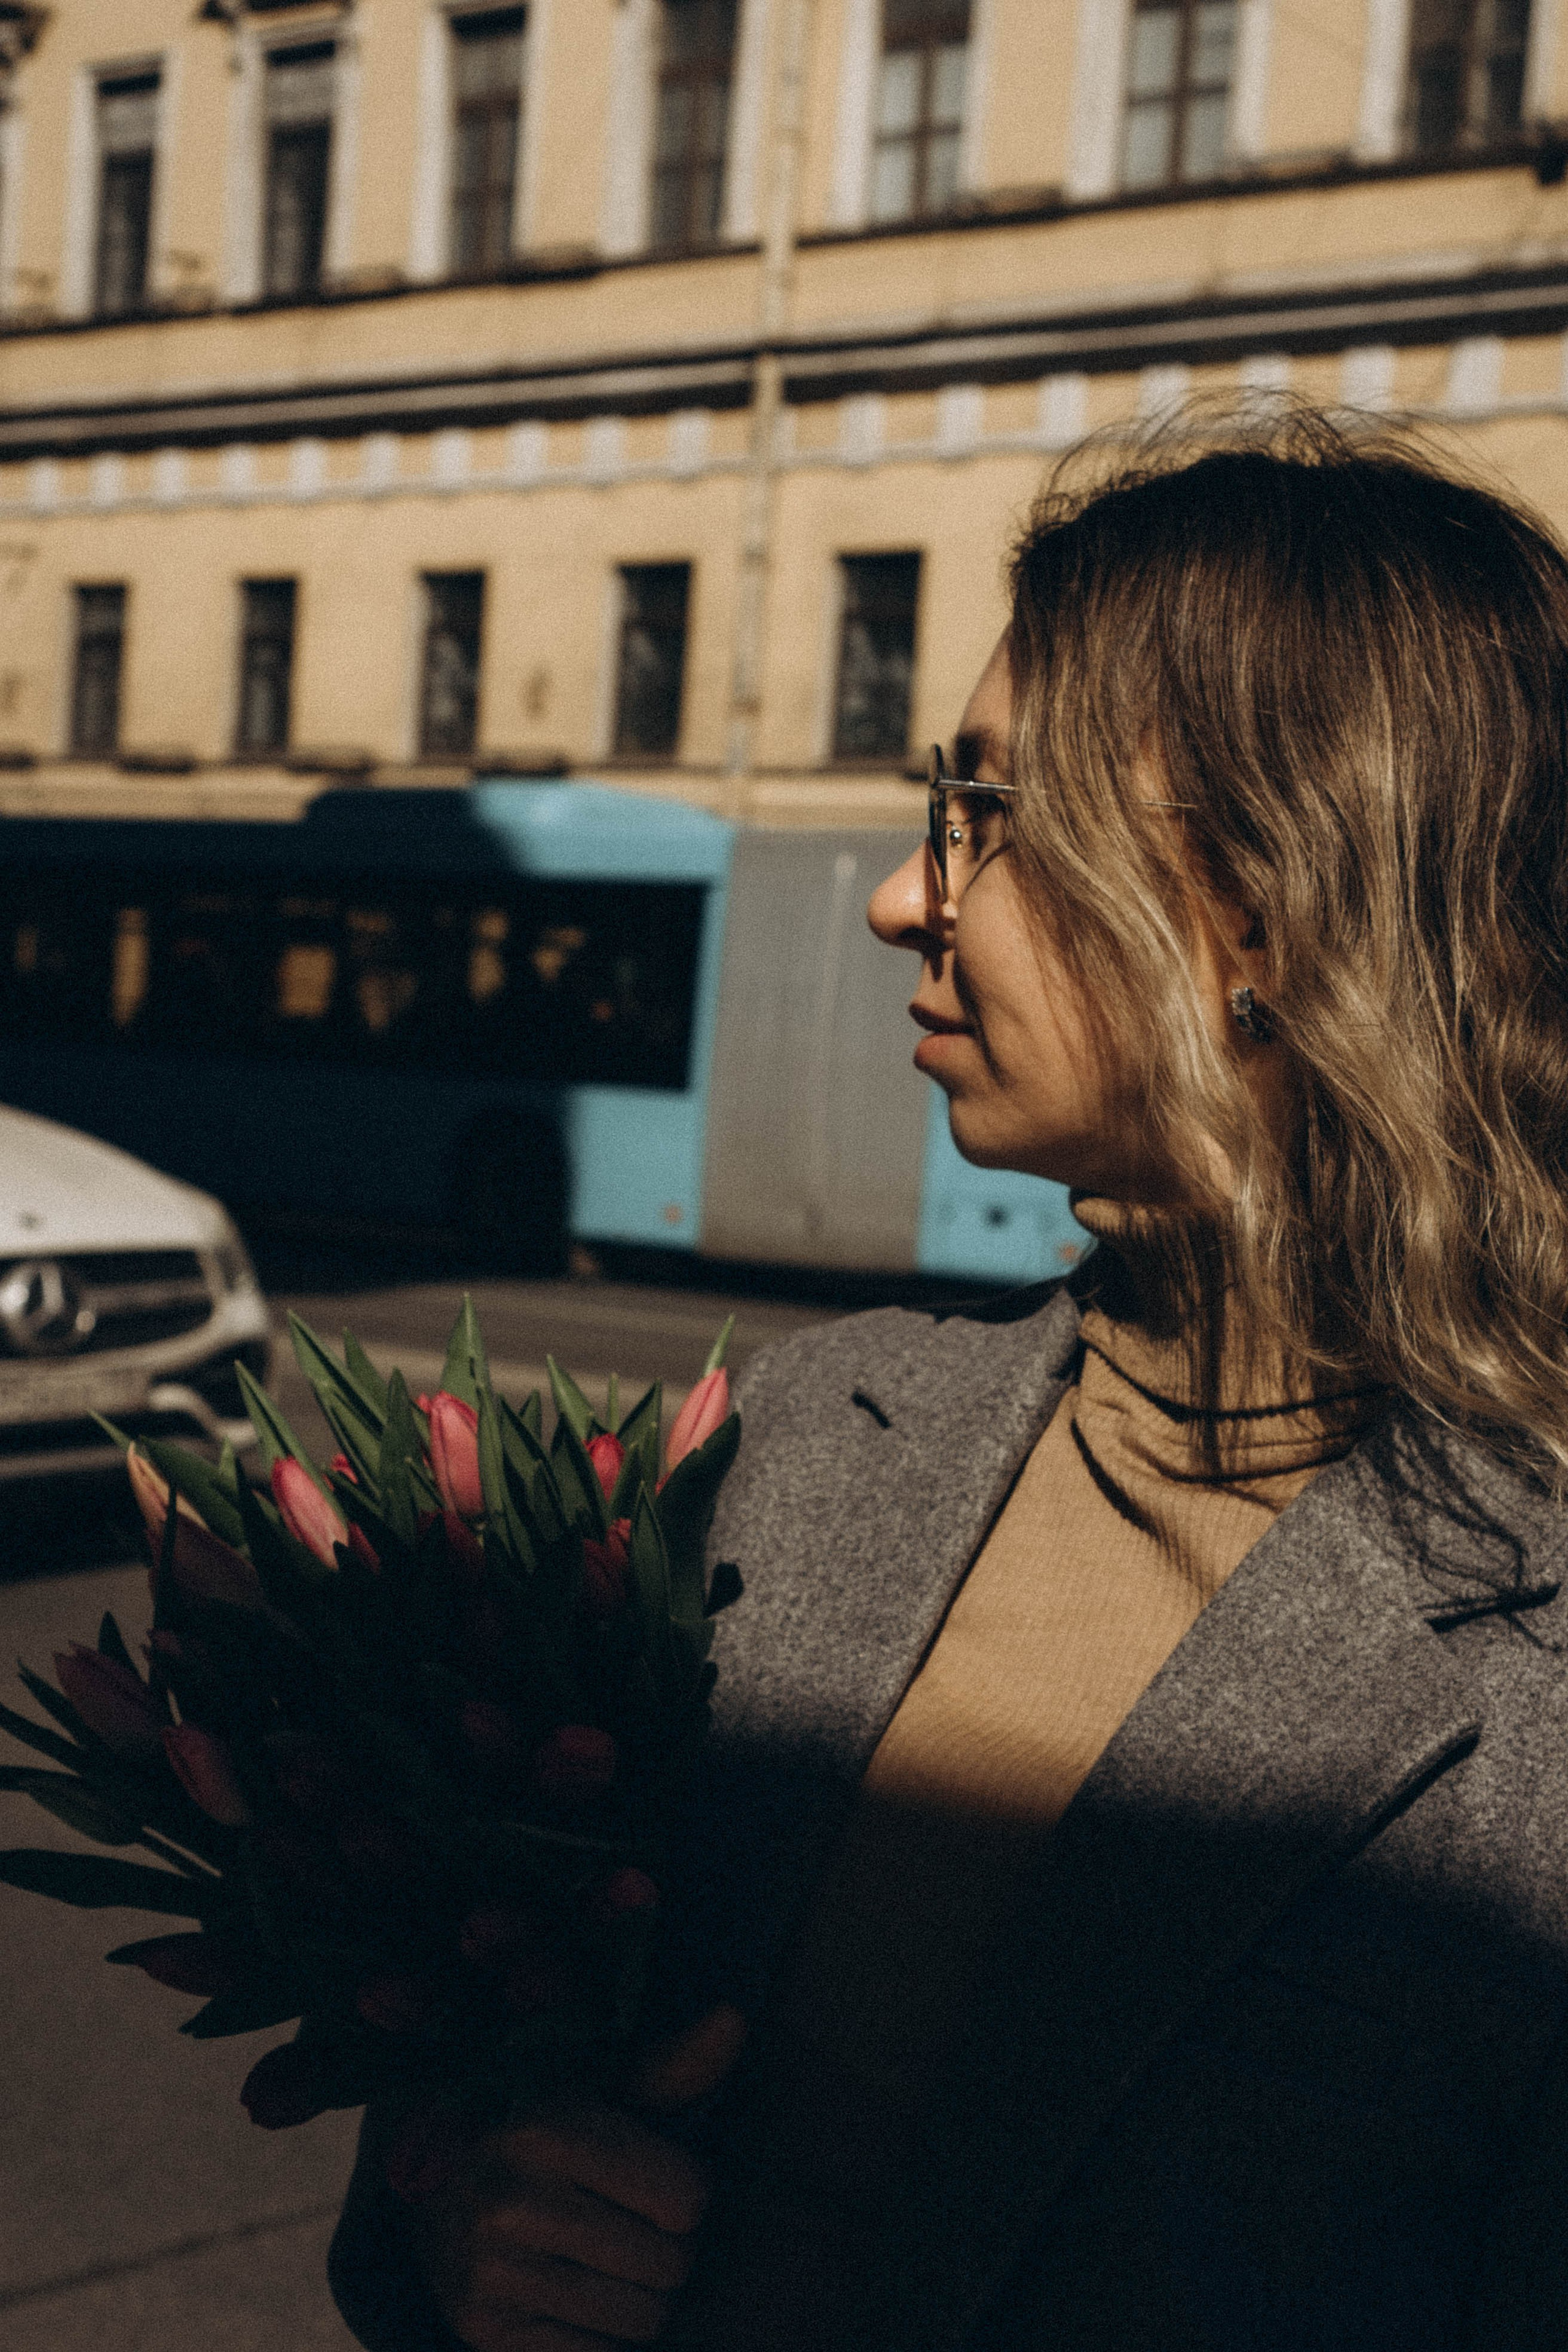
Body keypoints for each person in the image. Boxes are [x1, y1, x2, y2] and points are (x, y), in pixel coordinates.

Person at [330, 407, 1568, 2350]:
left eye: (989, 814)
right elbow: (508, 2089)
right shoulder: (814, 1437)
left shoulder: (1539, 1668)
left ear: (1267, 907)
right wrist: (468, 2214)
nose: (914, 895)